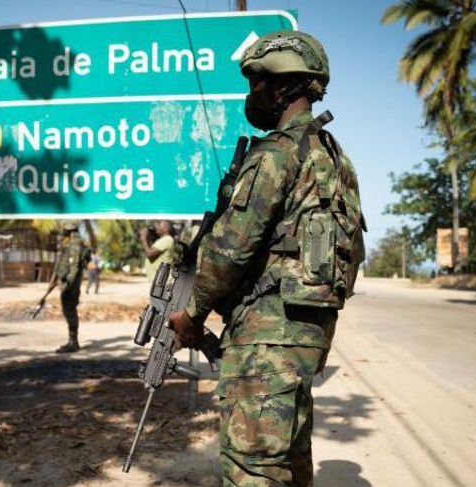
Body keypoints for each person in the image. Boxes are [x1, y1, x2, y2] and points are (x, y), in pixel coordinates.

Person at [168, 30, 366, 487]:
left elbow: (229, 248)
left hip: (265, 341)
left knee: (253, 468)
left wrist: (192, 315)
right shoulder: (336, 159)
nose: (251, 93)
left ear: (286, 87)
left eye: (258, 82)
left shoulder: (277, 155)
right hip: (304, 337)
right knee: (290, 463)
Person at [43, 221, 91, 353]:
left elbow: (74, 267)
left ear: (70, 230)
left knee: (69, 310)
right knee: (69, 310)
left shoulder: (75, 244)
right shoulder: (71, 243)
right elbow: (61, 265)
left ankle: (73, 342)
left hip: (70, 284)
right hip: (69, 283)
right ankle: (72, 341)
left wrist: (69, 284)